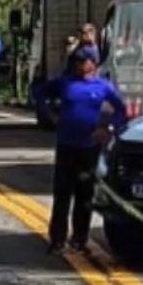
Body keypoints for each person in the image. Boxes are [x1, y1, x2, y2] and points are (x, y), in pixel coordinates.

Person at [39, 46, 126, 254]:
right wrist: (50, 116)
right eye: (76, 61)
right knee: (62, 194)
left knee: (84, 194)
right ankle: (57, 239)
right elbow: (40, 93)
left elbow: (121, 110)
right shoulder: (65, 82)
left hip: (89, 148)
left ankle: (79, 239)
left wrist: (108, 128)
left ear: (93, 63)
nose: (78, 65)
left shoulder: (103, 87)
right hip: (66, 145)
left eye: (82, 61)